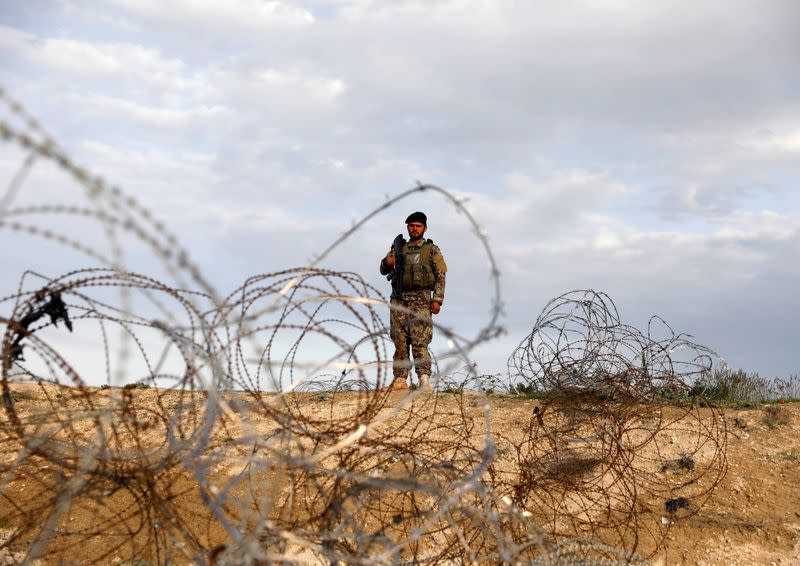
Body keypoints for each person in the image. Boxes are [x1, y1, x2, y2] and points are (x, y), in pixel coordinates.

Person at [379, 211, 447, 391]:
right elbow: (383, 269)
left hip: (422, 300)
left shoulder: (431, 250)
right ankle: (400, 379)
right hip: (399, 300)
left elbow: (441, 276)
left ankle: (424, 379)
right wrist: (388, 261)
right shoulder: (398, 247)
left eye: (418, 226)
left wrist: (437, 299)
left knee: (420, 340)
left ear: (424, 228)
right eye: (411, 226)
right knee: (399, 341)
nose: (414, 229)